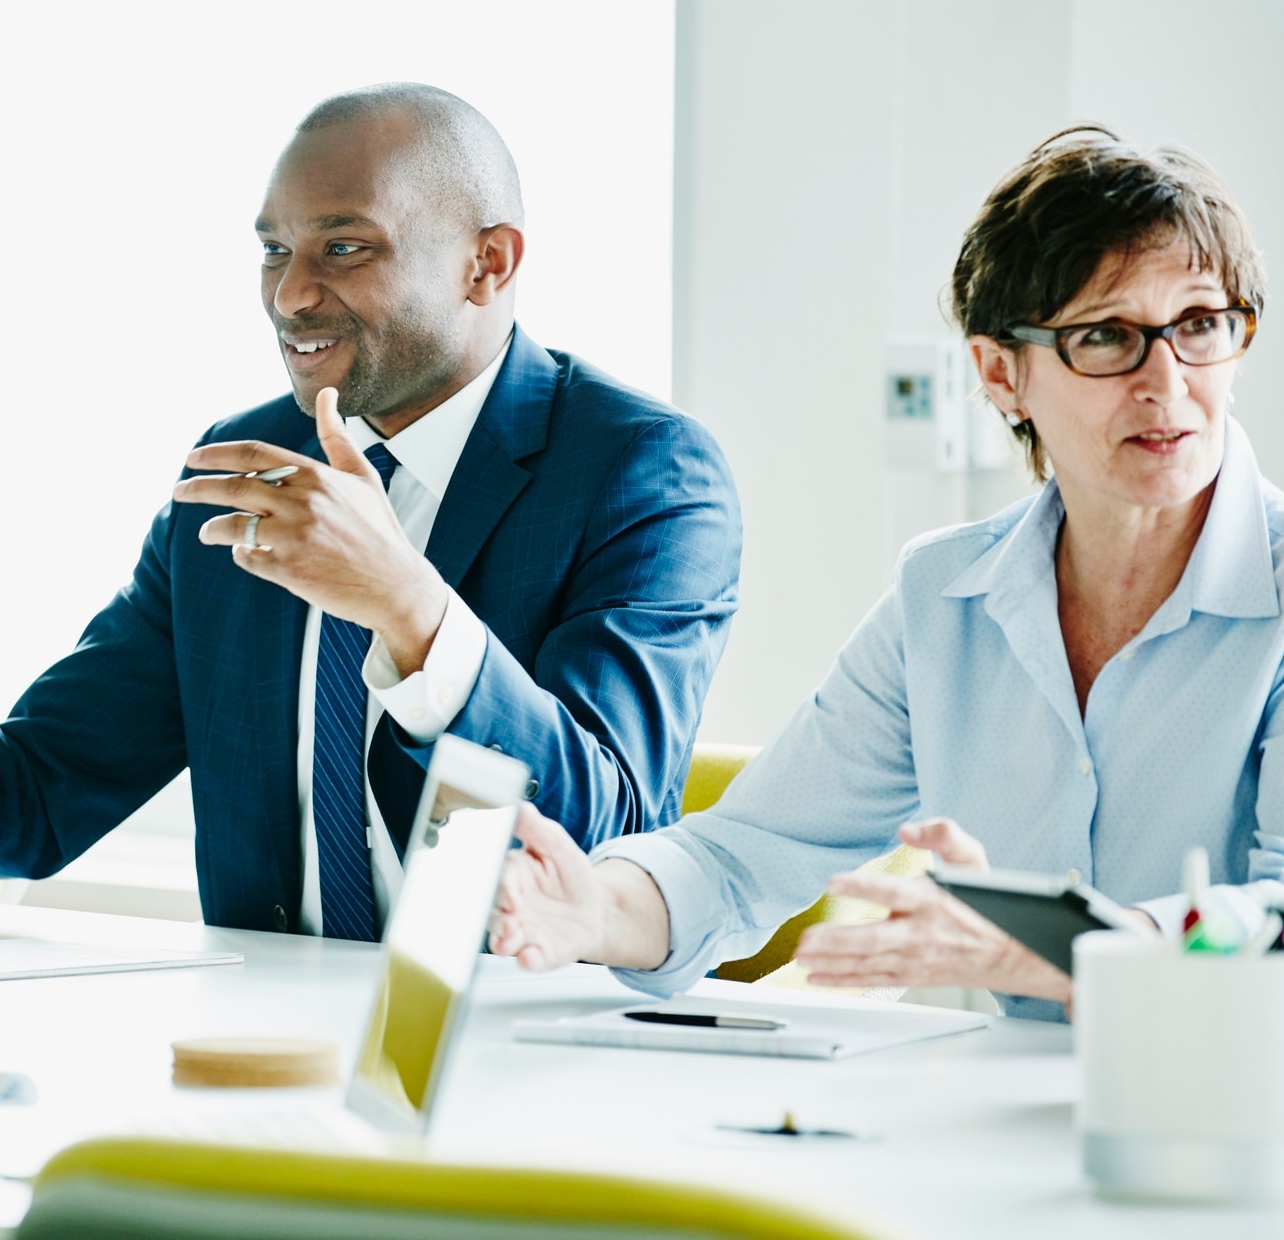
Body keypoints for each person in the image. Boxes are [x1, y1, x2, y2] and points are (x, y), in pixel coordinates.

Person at [0, 83, 742, 939]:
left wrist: (412, 611)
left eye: (344, 247)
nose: (292, 293)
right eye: (274, 249)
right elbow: (17, 814)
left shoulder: (643, 473)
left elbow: (605, 840)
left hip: (528, 1059)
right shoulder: (240, 473)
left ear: (488, 263)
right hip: (268, 1056)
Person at [490, 127, 1279, 1021]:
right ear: (998, 373)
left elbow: (1274, 921)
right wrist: (594, 906)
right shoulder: (943, 597)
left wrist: (1046, 948)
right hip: (982, 1117)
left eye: (1200, 325)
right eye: (1104, 337)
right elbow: (744, 853)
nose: (1166, 380)